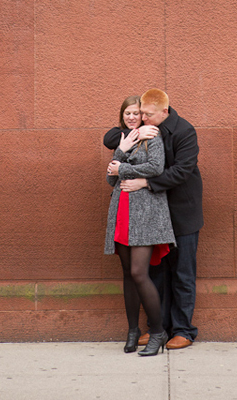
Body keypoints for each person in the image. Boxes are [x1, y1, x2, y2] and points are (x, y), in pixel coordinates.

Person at [103, 88, 204, 350]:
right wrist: (129, 135)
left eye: (147, 115)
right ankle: (159, 327)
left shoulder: (184, 131)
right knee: (156, 272)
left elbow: (181, 171)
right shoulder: (145, 130)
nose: (143, 119)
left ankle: (183, 330)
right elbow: (111, 136)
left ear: (164, 112)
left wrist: (145, 182)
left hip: (182, 212)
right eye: (141, 114)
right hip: (154, 213)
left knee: (182, 273)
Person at [104, 95, 176, 356]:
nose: (132, 117)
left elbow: (157, 167)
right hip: (121, 210)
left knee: (138, 273)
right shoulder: (123, 139)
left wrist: (122, 168)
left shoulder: (152, 136)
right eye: (127, 114)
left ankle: (157, 332)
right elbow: (111, 177)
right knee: (127, 274)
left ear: (143, 115)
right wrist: (121, 153)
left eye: (136, 113)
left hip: (146, 213)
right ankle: (133, 330)